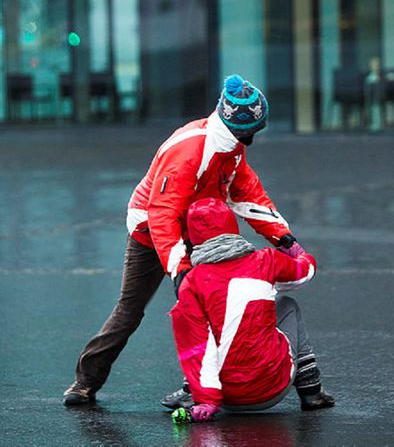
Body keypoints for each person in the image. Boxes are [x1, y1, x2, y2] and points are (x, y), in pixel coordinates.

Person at [64, 75, 298, 406]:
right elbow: (162, 214)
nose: (252, 139)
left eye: (256, 131)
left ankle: (197, 389)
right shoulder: (190, 151)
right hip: (151, 230)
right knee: (130, 311)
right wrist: (180, 268)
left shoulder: (230, 146)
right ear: (234, 126)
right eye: (249, 133)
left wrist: (284, 237)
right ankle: (84, 382)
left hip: (203, 230)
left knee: (216, 309)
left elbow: (246, 192)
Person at [170, 198, 334, 423]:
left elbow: (196, 347)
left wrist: (207, 399)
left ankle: (191, 392)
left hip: (224, 398)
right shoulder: (266, 260)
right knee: (287, 305)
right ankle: (311, 390)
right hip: (272, 388)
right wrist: (300, 253)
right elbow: (304, 273)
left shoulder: (193, 283)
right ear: (231, 225)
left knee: (199, 331)